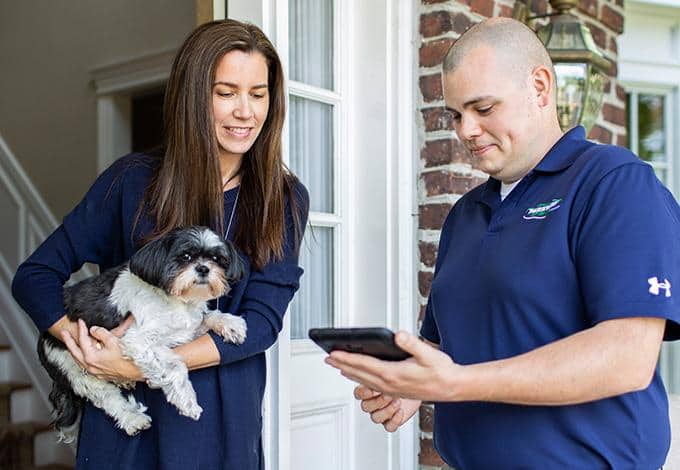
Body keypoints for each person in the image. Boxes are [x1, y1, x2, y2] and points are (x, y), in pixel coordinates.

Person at [326, 17, 680, 469]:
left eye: (483, 108)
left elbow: (627, 356)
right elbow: (448, 346)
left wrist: (457, 384)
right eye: (456, 114)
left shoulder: (614, 184)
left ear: (539, 86)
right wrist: (413, 379)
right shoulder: (465, 214)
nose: (465, 130)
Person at [11, 19, 308, 470]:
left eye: (259, 93)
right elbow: (34, 276)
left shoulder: (283, 199)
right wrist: (90, 348)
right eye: (225, 93)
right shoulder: (131, 180)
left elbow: (262, 323)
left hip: (222, 421)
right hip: (126, 435)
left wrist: (147, 365)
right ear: (193, 96)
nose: (245, 111)